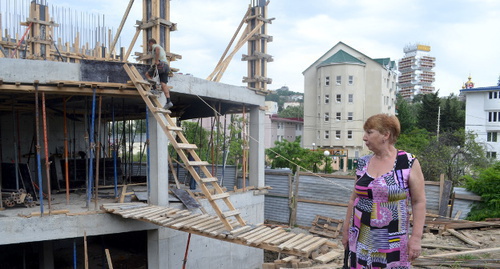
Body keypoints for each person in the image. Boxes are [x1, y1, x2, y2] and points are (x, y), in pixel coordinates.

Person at [342, 114, 426, 268]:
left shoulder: (407, 162)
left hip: (391, 240)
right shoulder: (363, 163)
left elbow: (418, 202)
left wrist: (416, 238)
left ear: (386, 135)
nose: (364, 138)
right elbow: (353, 199)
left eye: (369, 132)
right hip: (360, 236)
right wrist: (346, 229)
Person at [145, 38, 173, 110]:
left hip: (160, 65)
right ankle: (168, 101)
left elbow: (157, 49)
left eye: (149, 45)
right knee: (163, 84)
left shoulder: (155, 46)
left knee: (147, 74)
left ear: (151, 43)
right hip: (166, 66)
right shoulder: (160, 48)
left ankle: (154, 89)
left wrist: (156, 60)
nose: (149, 47)